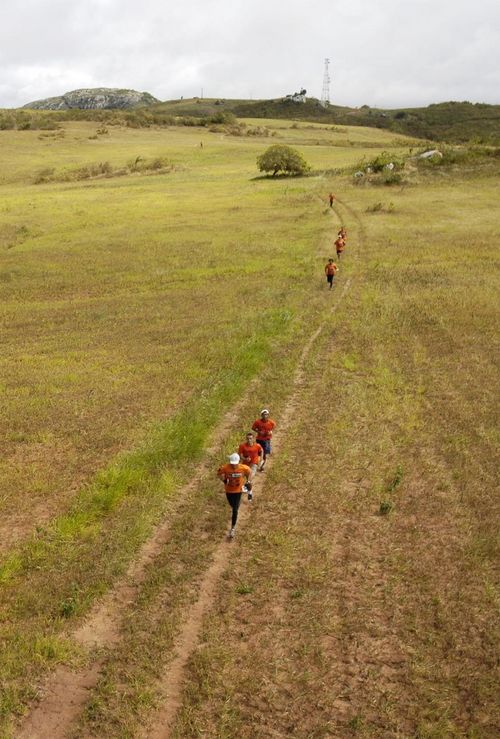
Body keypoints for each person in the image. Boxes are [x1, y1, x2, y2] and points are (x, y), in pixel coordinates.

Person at [217, 452, 253, 539]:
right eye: (232, 464)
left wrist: (248, 481)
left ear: (238, 462)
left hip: (238, 491)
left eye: (235, 464)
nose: (234, 466)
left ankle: (232, 529)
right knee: (232, 505)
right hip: (229, 491)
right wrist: (224, 480)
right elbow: (219, 474)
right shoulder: (225, 467)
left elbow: (250, 472)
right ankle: (246, 495)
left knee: (235, 509)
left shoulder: (243, 468)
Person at [238, 431, 263, 500]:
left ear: (253, 439)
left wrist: (260, 460)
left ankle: (246, 486)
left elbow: (261, 451)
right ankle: (250, 493)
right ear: (246, 439)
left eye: (250, 438)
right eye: (248, 438)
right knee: (244, 479)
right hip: (244, 465)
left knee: (251, 475)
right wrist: (245, 459)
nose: (249, 440)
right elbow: (240, 455)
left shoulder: (257, 446)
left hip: (254, 464)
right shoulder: (242, 446)